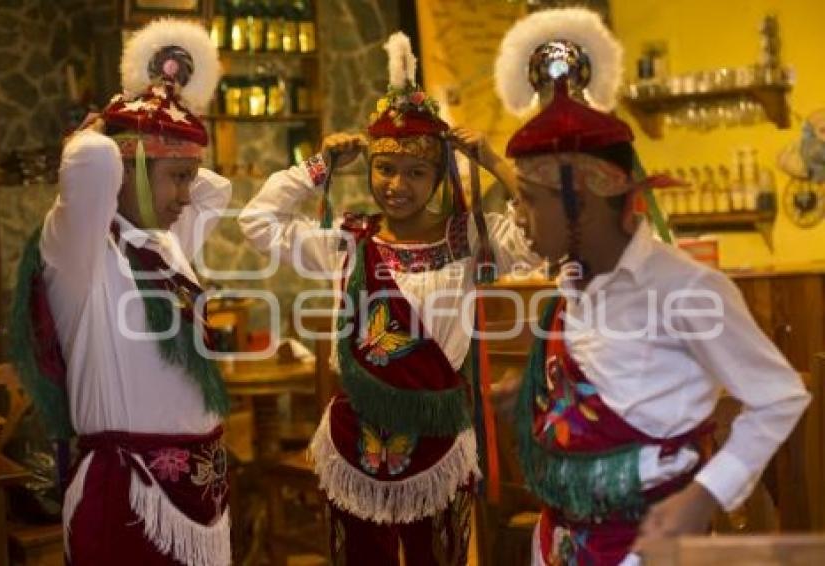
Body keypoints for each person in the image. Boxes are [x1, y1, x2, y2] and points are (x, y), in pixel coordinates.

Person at [490, 8, 811, 565]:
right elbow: (605, 384)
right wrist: (538, 395)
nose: (517, 216)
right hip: (562, 538)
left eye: (529, 200)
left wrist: (702, 498)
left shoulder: (686, 287)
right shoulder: (571, 285)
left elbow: (779, 397)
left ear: (582, 200)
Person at [239, 32, 538, 566]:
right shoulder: (348, 242)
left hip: (438, 442)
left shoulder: (467, 240)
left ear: (440, 176)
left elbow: (542, 229)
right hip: (355, 443)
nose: (397, 184)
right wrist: (318, 167)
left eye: (416, 171)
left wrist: (492, 160)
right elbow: (258, 222)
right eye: (385, 168)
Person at [10, 19, 232, 566]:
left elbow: (215, 191)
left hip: (200, 492)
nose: (188, 193)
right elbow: (91, 165)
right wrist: (106, 129)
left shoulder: (165, 244)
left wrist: (166, 108)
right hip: (125, 493)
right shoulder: (80, 253)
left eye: (188, 176)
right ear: (124, 169)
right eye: (177, 176)